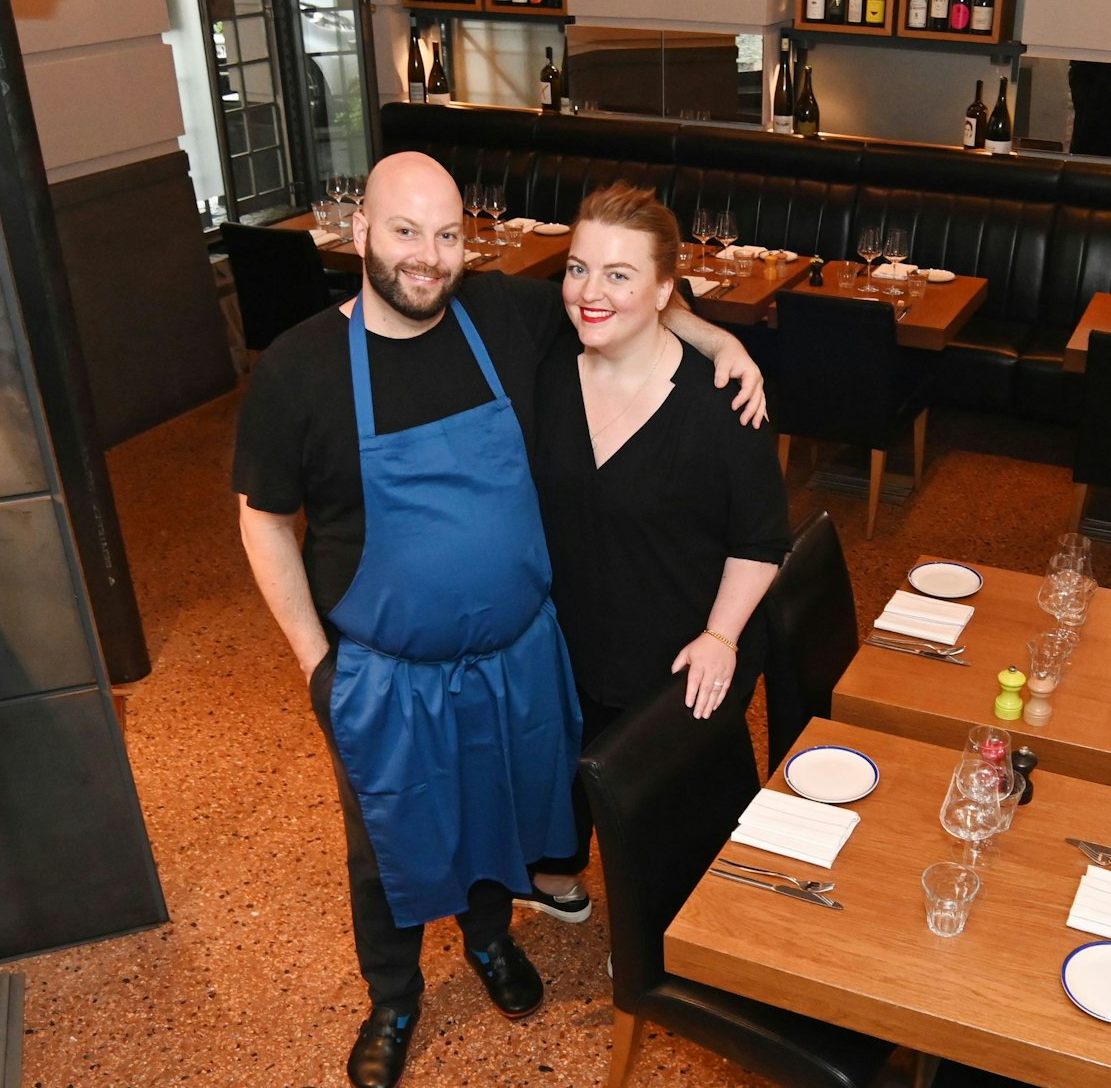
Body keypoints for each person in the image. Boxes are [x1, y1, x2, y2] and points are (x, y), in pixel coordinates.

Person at [231, 153, 763, 1088]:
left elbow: (620, 295)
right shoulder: (299, 368)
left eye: (447, 235)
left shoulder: (499, 314)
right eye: (405, 232)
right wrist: (315, 661)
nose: (427, 257)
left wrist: (717, 339)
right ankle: (393, 998)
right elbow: (263, 519)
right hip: (384, 671)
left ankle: (488, 940)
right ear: (360, 232)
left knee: (496, 811)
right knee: (384, 842)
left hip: (514, 656)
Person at [526, 183, 791, 907]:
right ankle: (555, 874)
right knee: (559, 779)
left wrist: (720, 637)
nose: (590, 292)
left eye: (619, 275)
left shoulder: (723, 401)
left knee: (673, 833)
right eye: (578, 269)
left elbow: (761, 539)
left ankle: (665, 930)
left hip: (678, 653)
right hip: (568, 641)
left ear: (665, 290)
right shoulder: (545, 368)